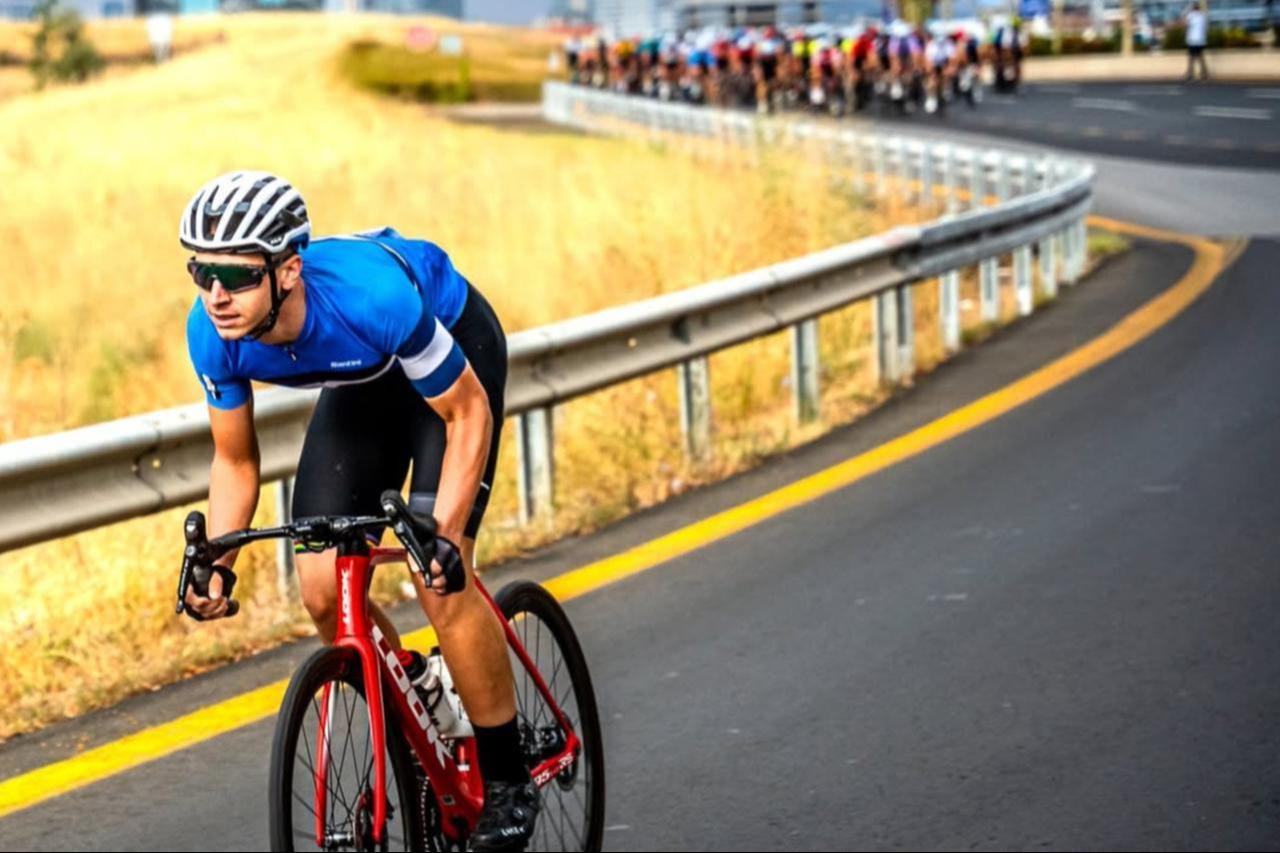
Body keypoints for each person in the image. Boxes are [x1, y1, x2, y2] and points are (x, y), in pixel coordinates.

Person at [178, 171, 538, 852]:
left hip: (451, 356)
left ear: (288, 270)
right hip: (365, 376)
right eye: (202, 272)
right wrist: (219, 560)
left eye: (236, 274)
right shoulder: (213, 331)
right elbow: (235, 462)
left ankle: (508, 776)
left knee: (440, 579)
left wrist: (445, 534)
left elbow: (466, 414)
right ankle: (417, 702)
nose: (216, 294)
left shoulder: (370, 297)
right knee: (322, 592)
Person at [1184, 1, 1210, 81]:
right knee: (1200, 57)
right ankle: (1204, 74)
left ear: (1193, 8)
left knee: (1191, 58)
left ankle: (1190, 74)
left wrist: (1187, 11)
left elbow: (1186, 24)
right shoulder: (1203, 16)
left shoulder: (1190, 15)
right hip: (1201, 40)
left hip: (1192, 39)